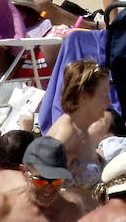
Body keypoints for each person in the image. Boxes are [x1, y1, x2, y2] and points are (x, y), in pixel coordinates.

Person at [0, 137, 85, 222]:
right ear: (24, 172)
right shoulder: (2, 209)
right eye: (40, 180)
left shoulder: (71, 211)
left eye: (57, 180)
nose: (49, 189)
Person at [45, 60, 110, 190]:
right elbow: (45, 187)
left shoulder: (82, 128)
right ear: (84, 96)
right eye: (104, 95)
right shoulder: (66, 135)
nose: (109, 101)